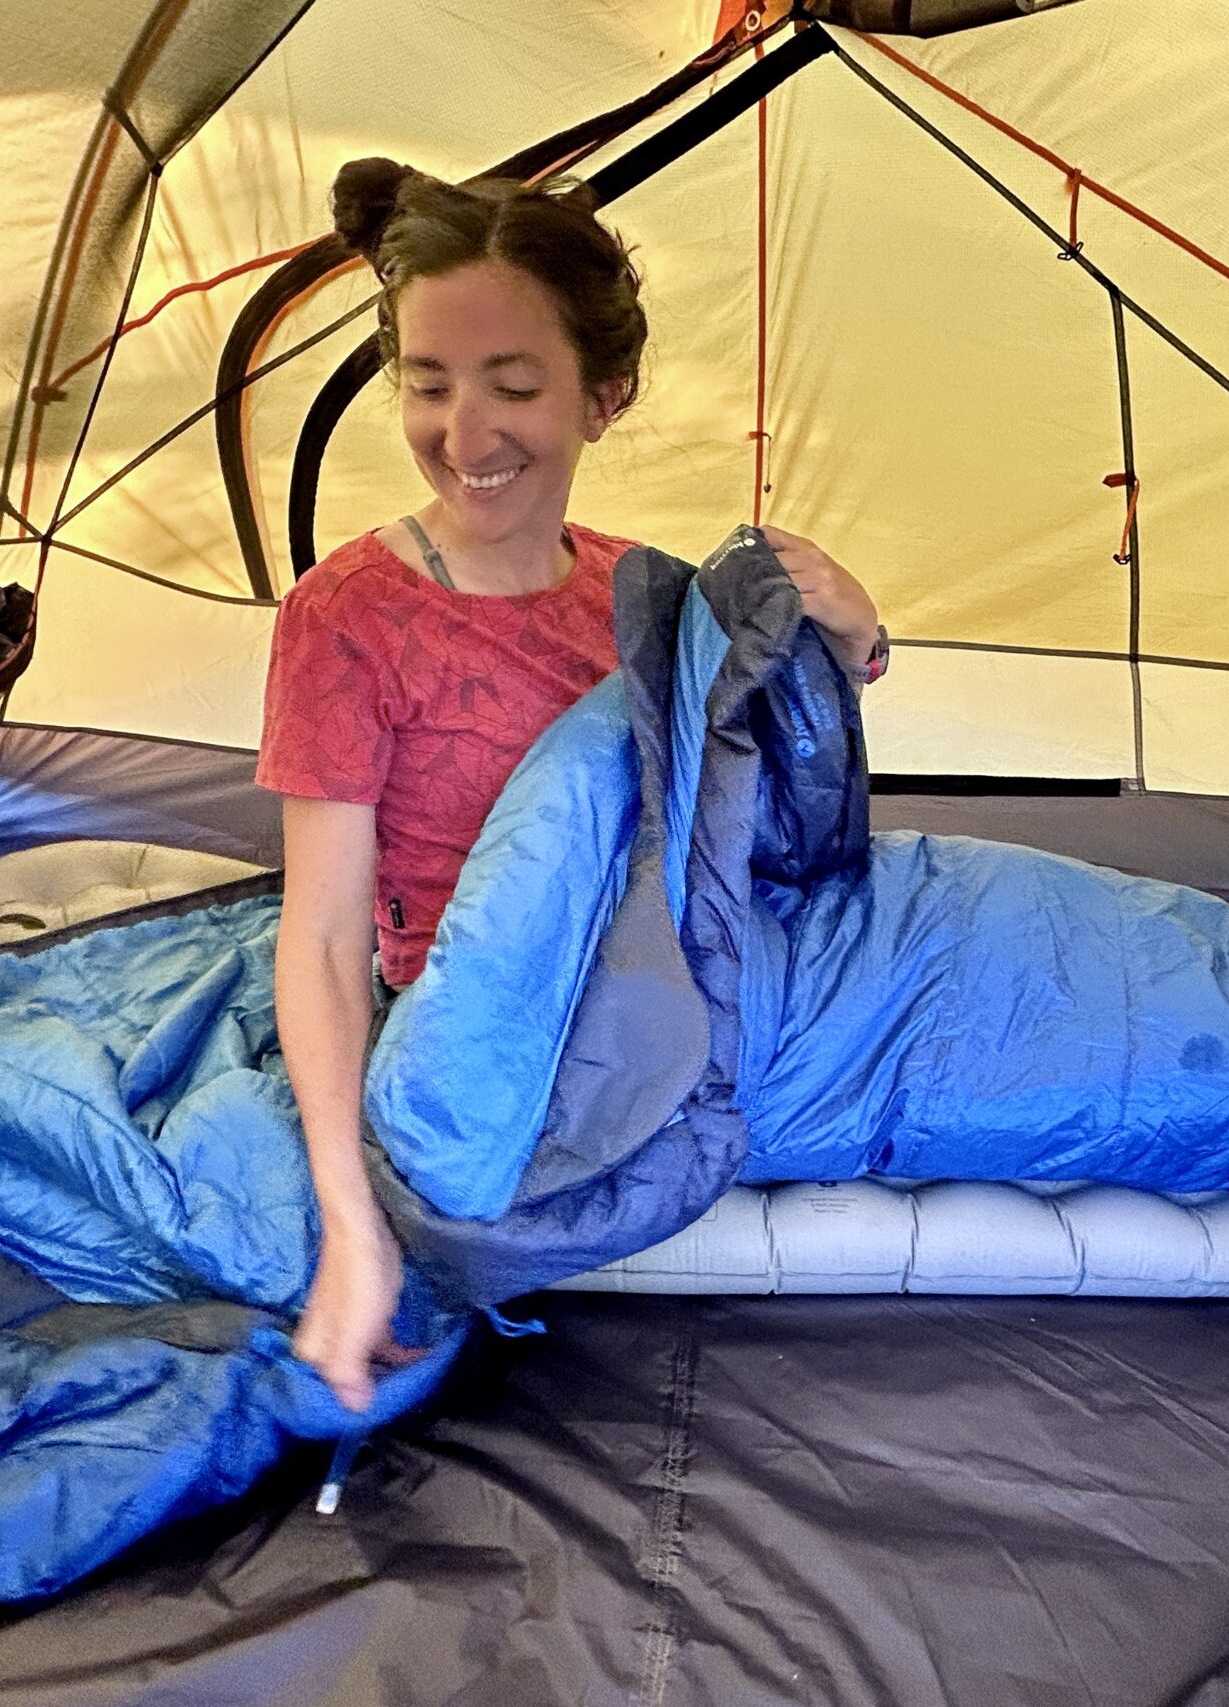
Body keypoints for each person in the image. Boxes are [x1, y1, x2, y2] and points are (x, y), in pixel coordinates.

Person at [258, 158, 886, 1412]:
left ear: (605, 398)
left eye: (514, 386)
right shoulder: (347, 618)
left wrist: (859, 633)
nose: (466, 435)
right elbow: (323, 932)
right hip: (504, 1016)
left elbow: (770, 765)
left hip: (675, 954)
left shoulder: (637, 592)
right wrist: (351, 1220)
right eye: (428, 386)